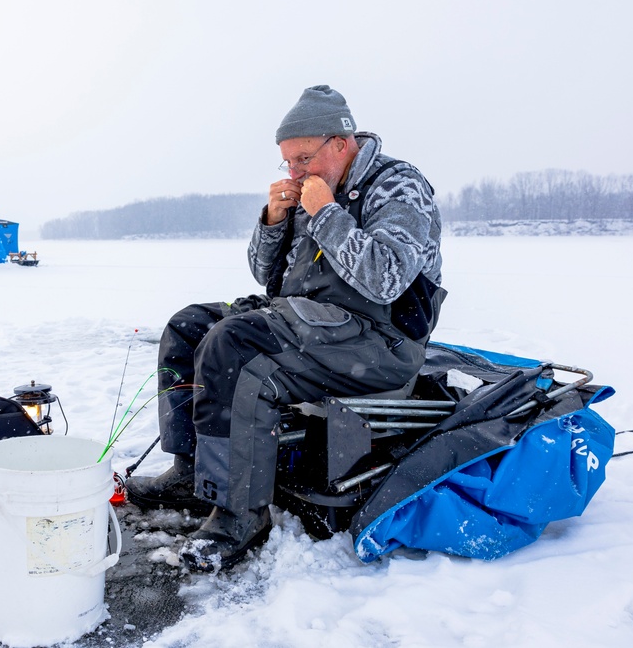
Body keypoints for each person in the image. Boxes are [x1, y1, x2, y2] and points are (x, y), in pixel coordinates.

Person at [125, 85, 446, 572]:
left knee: (237, 348)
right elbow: (267, 277)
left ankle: (240, 516)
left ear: (341, 142)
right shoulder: (314, 188)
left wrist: (325, 213)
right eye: (288, 163)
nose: (295, 172)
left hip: (378, 342)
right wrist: (273, 222)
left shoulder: (398, 187)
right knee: (190, 327)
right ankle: (194, 472)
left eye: (303, 158)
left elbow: (386, 279)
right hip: (314, 324)